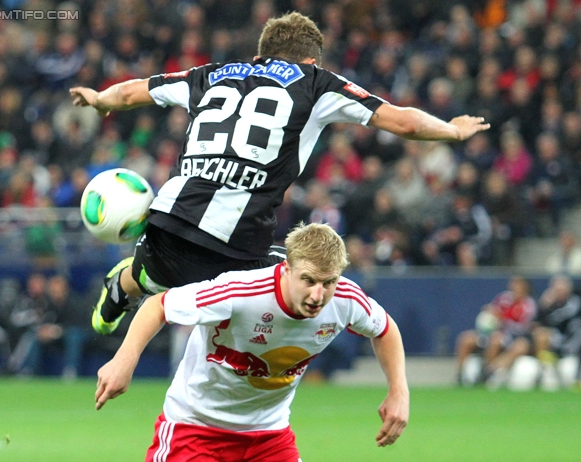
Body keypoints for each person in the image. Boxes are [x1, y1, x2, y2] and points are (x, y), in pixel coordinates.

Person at [69, 11, 490, 336]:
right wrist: (452, 129)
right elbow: (405, 123)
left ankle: (130, 280)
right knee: (306, 289)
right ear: (311, 59)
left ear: (259, 54)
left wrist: (99, 100)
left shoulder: (211, 74)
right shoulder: (315, 82)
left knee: (167, 278)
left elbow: (128, 92)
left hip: (164, 230)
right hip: (237, 248)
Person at [95, 223, 408, 460]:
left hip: (269, 437)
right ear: (286, 269)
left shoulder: (346, 299)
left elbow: (384, 329)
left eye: (329, 283)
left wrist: (398, 390)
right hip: (195, 429)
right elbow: (159, 305)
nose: (318, 295)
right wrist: (125, 359)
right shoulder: (241, 293)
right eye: (308, 280)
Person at [455, 275, 537, 388]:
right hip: (492, 332)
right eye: (513, 283)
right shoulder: (503, 298)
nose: (514, 286)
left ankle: (486, 372)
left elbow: (522, 327)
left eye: (518, 284)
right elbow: (490, 314)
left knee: (496, 341)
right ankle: (460, 375)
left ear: (525, 286)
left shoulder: (528, 304)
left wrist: (501, 319)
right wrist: (488, 315)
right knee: (465, 338)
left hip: (512, 336)